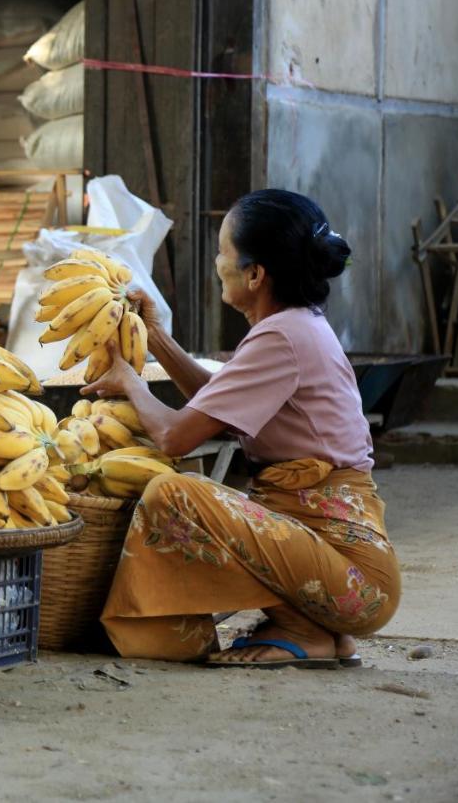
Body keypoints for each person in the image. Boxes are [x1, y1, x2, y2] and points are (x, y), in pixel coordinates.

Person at [83, 189, 400, 669]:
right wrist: (157, 339)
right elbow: (215, 402)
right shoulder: (297, 326)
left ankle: (302, 628)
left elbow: (175, 437)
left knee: (175, 495)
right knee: (204, 495)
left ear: (255, 275)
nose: (217, 263)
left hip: (358, 586)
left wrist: (129, 379)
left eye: (223, 252)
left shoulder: (282, 337)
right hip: (349, 579)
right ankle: (312, 628)